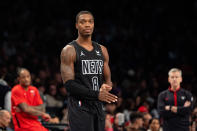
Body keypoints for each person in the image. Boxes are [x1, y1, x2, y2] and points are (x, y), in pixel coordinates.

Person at [60, 10, 118, 131]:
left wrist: (106, 87)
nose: (87, 25)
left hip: (98, 106)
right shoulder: (69, 50)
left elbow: (108, 81)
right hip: (79, 106)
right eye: (83, 22)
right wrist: (97, 94)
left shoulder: (102, 50)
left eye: (90, 22)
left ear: (93, 24)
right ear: (76, 25)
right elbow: (69, 85)